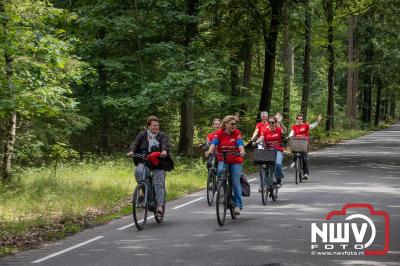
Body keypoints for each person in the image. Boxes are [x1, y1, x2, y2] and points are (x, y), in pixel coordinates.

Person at [127, 116, 174, 218]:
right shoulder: (142, 135)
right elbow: (135, 144)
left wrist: (164, 151)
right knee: (139, 171)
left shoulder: (162, 135)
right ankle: (144, 192)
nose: (156, 127)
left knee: (158, 182)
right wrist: (131, 151)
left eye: (157, 125)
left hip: (159, 163)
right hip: (145, 161)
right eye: (154, 125)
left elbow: (164, 144)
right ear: (148, 126)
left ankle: (159, 206)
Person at [205, 115, 245, 215]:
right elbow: (214, 143)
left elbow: (240, 143)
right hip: (223, 158)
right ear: (226, 124)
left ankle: (237, 205)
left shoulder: (236, 132)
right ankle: (222, 187)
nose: (234, 125)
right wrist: (209, 151)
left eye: (235, 124)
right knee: (219, 171)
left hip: (235, 159)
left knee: (235, 182)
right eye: (232, 124)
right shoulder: (219, 133)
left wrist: (242, 151)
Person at [254, 115, 287, 189]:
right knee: (263, 166)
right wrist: (256, 142)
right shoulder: (266, 130)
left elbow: (285, 131)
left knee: (278, 164)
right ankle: (264, 185)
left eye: (272, 122)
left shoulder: (278, 129)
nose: (271, 124)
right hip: (268, 150)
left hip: (277, 150)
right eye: (269, 122)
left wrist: (280, 122)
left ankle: (278, 180)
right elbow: (262, 137)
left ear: (275, 123)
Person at [288, 113, 322, 179]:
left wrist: (318, 121)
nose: (300, 120)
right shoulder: (294, 126)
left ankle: (305, 173)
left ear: (302, 120)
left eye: (301, 119)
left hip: (304, 144)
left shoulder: (306, 125)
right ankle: (294, 161)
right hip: (297, 143)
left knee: (304, 158)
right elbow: (291, 133)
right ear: (296, 119)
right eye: (298, 119)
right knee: (295, 150)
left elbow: (313, 126)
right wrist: (289, 136)